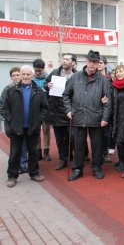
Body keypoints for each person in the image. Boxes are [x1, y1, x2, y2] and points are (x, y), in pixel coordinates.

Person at [63, 50, 112, 181]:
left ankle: (96, 167)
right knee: (78, 145)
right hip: (78, 115)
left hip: (96, 117)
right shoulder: (75, 77)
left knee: (97, 145)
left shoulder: (103, 80)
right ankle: (77, 169)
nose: (92, 64)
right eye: (90, 61)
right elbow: (66, 95)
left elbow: (107, 100)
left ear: (98, 64)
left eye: (95, 62)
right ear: (85, 62)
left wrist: (105, 118)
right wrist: (68, 110)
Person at [2, 65, 48, 188]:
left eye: (28, 74)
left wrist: (39, 120)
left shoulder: (39, 90)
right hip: (16, 127)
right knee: (15, 152)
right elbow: (4, 108)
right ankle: (12, 176)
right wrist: (10, 120)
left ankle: (34, 173)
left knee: (33, 152)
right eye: (23, 74)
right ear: (20, 75)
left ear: (32, 75)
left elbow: (45, 107)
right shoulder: (11, 90)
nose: (25, 76)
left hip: (33, 127)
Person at [45, 53, 77, 170]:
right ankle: (63, 159)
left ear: (73, 62)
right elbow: (45, 84)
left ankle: (73, 157)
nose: (64, 61)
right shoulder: (54, 72)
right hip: (56, 112)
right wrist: (47, 85)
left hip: (71, 111)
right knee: (59, 139)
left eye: (67, 59)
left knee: (73, 137)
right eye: (63, 59)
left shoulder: (77, 75)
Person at [0, 67, 29, 174]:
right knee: (16, 146)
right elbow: (2, 106)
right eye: (14, 75)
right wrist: (10, 119)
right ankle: (16, 167)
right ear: (11, 77)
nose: (16, 77)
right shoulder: (7, 89)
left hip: (25, 123)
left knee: (25, 144)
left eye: (18, 75)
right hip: (13, 124)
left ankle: (24, 164)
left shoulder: (27, 88)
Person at [33, 58, 51, 161]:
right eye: (36, 70)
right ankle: (38, 151)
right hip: (34, 109)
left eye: (40, 70)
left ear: (43, 69)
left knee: (46, 130)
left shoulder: (48, 78)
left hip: (46, 108)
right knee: (36, 131)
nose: (38, 72)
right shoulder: (31, 78)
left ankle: (46, 151)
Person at [98, 55, 113, 164]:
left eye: (101, 62)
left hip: (108, 109)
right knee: (96, 134)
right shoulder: (92, 76)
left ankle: (105, 153)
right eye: (97, 62)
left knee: (106, 133)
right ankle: (97, 154)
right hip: (95, 109)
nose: (99, 64)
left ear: (105, 64)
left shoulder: (110, 78)